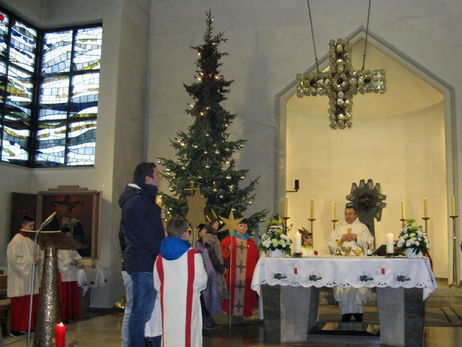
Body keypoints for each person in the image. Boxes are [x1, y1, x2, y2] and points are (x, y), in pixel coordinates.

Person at [119, 162, 164, 347]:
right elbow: (148, 236)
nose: (159, 178)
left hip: (141, 261)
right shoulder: (139, 202)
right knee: (140, 313)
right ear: (148, 178)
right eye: (157, 174)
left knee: (138, 312)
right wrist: (163, 247)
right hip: (143, 264)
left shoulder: (138, 200)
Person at [153, 217, 207, 347]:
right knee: (189, 338)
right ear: (184, 234)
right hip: (188, 304)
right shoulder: (193, 256)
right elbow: (202, 282)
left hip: (168, 306)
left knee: (169, 337)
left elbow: (157, 284)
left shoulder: (159, 258)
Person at [327, 206, 374, 322]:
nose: (348, 216)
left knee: (357, 286)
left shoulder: (362, 228)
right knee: (344, 286)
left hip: (358, 263)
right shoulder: (339, 228)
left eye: (350, 214)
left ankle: (358, 312)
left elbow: (370, 243)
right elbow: (331, 243)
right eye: (346, 214)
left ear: (356, 215)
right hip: (343, 263)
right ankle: (345, 312)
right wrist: (341, 238)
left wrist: (357, 237)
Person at [7, 216, 42, 334]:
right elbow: (14, 260)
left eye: (33, 226)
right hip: (20, 278)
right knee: (20, 304)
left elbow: (38, 254)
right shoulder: (16, 240)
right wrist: (32, 261)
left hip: (30, 277)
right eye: (30, 226)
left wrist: (38, 260)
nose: (32, 228)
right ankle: (17, 328)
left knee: (31, 303)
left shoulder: (32, 240)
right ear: (23, 225)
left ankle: (29, 326)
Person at [220, 219, 259, 318]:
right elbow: (221, 257)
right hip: (233, 274)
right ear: (236, 226)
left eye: (246, 226)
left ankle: (244, 314)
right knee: (231, 294)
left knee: (245, 295)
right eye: (241, 225)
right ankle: (230, 314)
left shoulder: (251, 242)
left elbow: (255, 258)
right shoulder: (228, 240)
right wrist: (227, 251)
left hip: (246, 275)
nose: (244, 228)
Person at [196, 223, 221, 329]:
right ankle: (205, 322)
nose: (205, 232)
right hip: (201, 275)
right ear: (199, 231)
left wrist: (221, 268)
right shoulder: (196, 244)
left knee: (208, 298)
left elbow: (212, 257)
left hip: (208, 275)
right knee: (202, 299)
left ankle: (208, 320)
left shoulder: (205, 244)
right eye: (204, 230)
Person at [57, 227, 82, 322]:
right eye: (66, 235)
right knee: (64, 298)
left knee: (71, 298)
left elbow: (78, 257)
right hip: (64, 274)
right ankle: (63, 316)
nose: (68, 236)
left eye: (69, 234)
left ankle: (70, 315)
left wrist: (76, 261)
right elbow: (58, 261)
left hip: (71, 274)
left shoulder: (71, 246)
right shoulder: (59, 247)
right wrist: (69, 262)